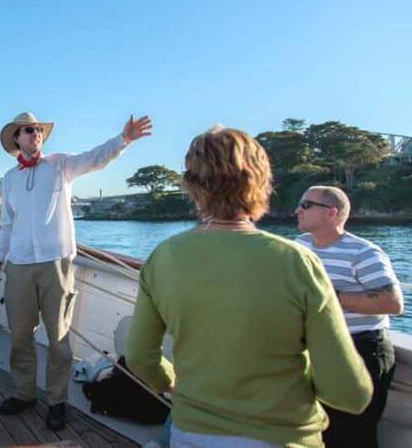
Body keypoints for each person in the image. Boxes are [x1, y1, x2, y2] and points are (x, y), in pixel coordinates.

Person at [125, 126, 372, 447]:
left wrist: (171, 384)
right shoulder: (296, 261)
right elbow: (349, 393)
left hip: (190, 433)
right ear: (261, 182)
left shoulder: (163, 258)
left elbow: (141, 359)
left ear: (191, 185)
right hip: (282, 436)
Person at [0, 111, 153, 431]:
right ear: (16, 139)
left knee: (59, 340)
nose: (35, 133)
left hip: (57, 264)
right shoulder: (9, 179)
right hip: (19, 265)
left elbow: (95, 158)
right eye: (28, 130)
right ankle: (24, 393)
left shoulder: (60, 164)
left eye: (38, 129)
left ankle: (56, 401)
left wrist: (125, 139)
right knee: (20, 336)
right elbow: (6, 224)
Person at [296, 185, 404, 448]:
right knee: (320, 433)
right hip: (316, 350)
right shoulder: (300, 247)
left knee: (353, 437)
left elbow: (392, 302)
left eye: (306, 205)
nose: (298, 210)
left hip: (361, 350)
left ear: (331, 213)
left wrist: (328, 296)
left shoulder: (363, 252)